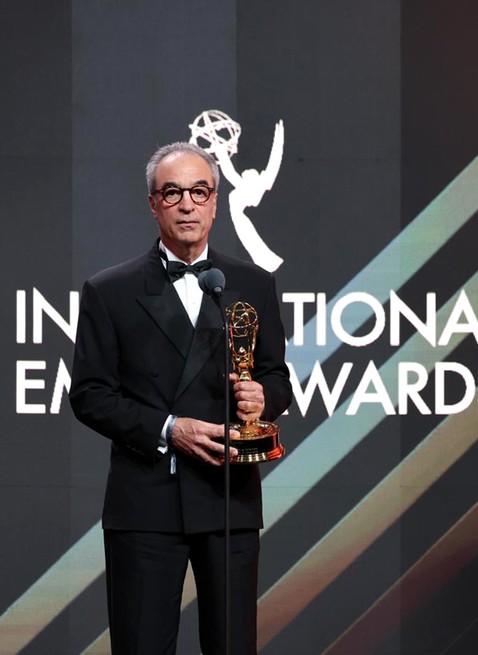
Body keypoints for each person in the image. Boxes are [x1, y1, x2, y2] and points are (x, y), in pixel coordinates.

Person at [70, 141, 291, 654]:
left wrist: (263, 398)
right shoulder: (110, 290)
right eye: (173, 193)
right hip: (146, 505)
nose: (187, 204)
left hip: (228, 499)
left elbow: (276, 376)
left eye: (199, 192)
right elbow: (90, 395)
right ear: (153, 204)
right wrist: (169, 429)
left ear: (215, 202)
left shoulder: (253, 284)